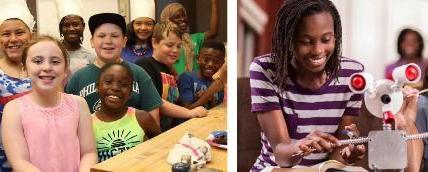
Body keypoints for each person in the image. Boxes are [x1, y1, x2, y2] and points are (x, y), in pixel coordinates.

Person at [249, 0, 422, 171]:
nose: (318, 50)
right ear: (288, 40)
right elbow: (281, 154)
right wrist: (301, 146)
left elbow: (339, 151)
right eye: (306, 41)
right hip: (277, 168)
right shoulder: (265, 70)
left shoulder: (353, 74)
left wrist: (346, 154)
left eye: (326, 39)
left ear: (335, 37)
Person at [66, 13, 207, 131]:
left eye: (115, 36)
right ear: (91, 42)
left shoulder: (138, 74)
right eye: (101, 36)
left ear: (124, 41)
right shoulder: (78, 78)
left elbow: (153, 119)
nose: (108, 41)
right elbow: (68, 123)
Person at [1, 35, 97, 171]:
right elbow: (19, 161)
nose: (47, 67)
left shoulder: (79, 104)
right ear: (24, 68)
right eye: (38, 61)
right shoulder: (13, 110)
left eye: (55, 62)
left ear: (65, 69)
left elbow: (89, 152)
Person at [136, 22, 208, 131]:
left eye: (179, 46)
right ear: (154, 43)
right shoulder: (145, 65)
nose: (175, 50)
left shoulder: (170, 71)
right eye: (169, 45)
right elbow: (155, 102)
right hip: (151, 134)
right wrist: (189, 113)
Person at [92, 62, 161, 162]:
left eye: (124, 84)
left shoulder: (142, 118)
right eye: (108, 82)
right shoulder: (87, 124)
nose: (115, 88)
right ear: (97, 87)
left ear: (130, 92)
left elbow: (162, 147)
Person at [0, 1, 34, 170]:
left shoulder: (44, 70)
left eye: (19, 32)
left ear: (31, 35)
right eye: (6, 34)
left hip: (41, 154)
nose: (13, 39)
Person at [160, 0, 219, 75]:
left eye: (183, 15)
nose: (182, 19)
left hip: (196, 85)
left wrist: (214, 3)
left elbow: (213, 32)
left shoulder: (194, 38)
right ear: (168, 20)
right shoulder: (165, 43)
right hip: (175, 84)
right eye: (177, 17)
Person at [178, 39, 225, 109]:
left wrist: (212, 100)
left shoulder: (219, 85)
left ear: (222, 63)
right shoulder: (186, 78)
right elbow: (187, 109)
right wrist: (208, 95)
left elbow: (217, 110)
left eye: (216, 61)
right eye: (206, 59)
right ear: (198, 59)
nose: (210, 64)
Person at [55, 0, 96, 75]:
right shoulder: (52, 52)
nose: (71, 29)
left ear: (83, 26)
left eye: (75, 24)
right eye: (66, 25)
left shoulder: (90, 58)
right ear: (60, 29)